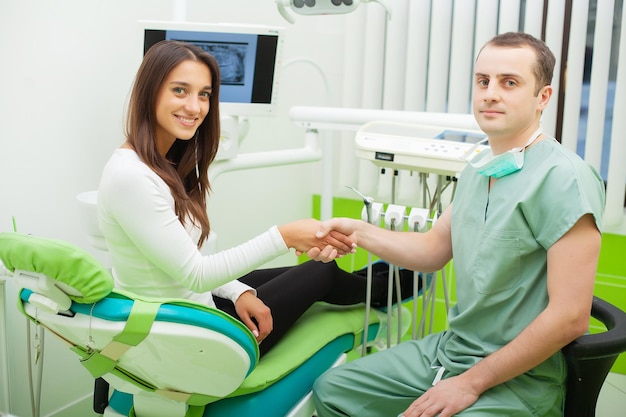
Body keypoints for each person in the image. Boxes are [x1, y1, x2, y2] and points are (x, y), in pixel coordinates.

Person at [310, 32, 606, 416]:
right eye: (483, 81)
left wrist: (470, 383)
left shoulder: (564, 178)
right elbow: (433, 250)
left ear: (542, 98)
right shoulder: (479, 168)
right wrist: (360, 231)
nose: (490, 93)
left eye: (509, 82)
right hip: (452, 350)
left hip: (519, 377)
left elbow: (570, 317)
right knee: (334, 389)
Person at [97, 40, 413, 356]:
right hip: (186, 343)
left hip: (186, 311)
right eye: (180, 90)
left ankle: (387, 275)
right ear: (149, 92)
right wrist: (285, 237)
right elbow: (195, 274)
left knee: (313, 273)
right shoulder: (132, 177)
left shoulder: (160, 166)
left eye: (204, 94)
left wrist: (238, 292)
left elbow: (183, 268)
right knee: (320, 272)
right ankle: (397, 285)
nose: (195, 107)